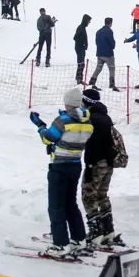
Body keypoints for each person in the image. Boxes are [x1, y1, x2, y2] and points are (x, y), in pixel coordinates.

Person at [29, 87, 90, 257]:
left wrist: (40, 126)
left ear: (67, 103)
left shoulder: (63, 120)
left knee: (56, 206)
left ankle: (61, 244)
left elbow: (47, 138)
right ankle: (79, 238)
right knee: (70, 203)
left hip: (60, 166)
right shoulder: (87, 121)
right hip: (76, 164)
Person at [80, 88, 125, 248]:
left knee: (89, 196)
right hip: (109, 162)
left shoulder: (92, 119)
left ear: (86, 102)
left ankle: (95, 233)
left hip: (96, 163)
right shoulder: (105, 116)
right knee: (102, 195)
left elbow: (93, 146)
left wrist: (89, 166)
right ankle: (108, 231)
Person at [89, 18, 119, 91]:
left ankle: (92, 82)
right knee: (111, 69)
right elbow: (112, 43)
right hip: (108, 54)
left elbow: (96, 42)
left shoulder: (98, 31)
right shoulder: (109, 31)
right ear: (110, 23)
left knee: (98, 69)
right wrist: (113, 45)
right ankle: (112, 84)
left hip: (99, 54)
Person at [74, 14, 92, 84]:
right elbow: (75, 37)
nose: (89, 22)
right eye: (89, 21)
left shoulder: (82, 27)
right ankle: (79, 79)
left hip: (81, 48)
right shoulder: (81, 27)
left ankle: (78, 77)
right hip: (80, 48)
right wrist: (82, 44)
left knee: (81, 63)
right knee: (81, 64)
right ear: (86, 20)